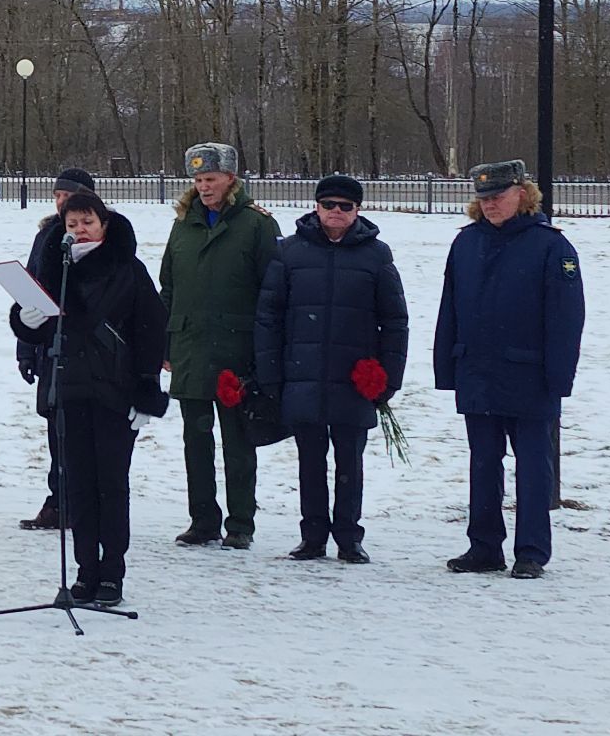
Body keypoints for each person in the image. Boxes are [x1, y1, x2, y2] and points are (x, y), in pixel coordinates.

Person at [11, 189, 168, 607]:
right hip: (68, 391)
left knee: (110, 486)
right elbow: (46, 329)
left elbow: (150, 330)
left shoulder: (128, 269)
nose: (80, 231)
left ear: (104, 224)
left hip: (115, 393)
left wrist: (147, 390)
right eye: (72, 224)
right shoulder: (55, 268)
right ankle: (84, 572)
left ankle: (112, 573)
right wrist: (25, 321)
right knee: (77, 486)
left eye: (88, 223)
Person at [434, 160, 585, 579]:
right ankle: (484, 546)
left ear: (523, 193)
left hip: (529, 376)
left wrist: (559, 376)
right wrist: (447, 366)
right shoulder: (465, 244)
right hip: (477, 372)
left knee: (534, 466)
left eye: (498, 196)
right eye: (483, 198)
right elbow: (451, 308)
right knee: (483, 462)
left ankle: (532, 551)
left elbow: (566, 318)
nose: (490, 205)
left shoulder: (551, 246)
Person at [254, 174, 409, 564]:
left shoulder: (376, 255)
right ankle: (312, 535)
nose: (335, 213)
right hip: (302, 374)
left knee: (349, 461)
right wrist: (271, 372)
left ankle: (348, 535)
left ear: (357, 210)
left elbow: (395, 322)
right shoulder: (289, 252)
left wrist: (387, 378)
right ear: (316, 207)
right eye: (329, 205)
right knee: (310, 459)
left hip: (353, 378)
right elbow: (269, 316)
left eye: (345, 206)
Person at [161, 142, 281, 550]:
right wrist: (165, 343)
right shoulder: (184, 224)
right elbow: (169, 287)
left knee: (238, 442)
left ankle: (240, 523)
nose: (204, 187)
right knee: (196, 440)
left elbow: (273, 293)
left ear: (230, 178)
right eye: (197, 180)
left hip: (236, 351)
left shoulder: (256, 225)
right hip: (191, 347)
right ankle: (203, 520)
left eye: (210, 179)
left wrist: (266, 353)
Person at [14, 167, 98, 530]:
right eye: (58, 196)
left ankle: (82, 502)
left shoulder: (102, 235)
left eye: (70, 195)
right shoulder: (47, 235)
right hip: (50, 347)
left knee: (87, 436)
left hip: (90, 354)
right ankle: (58, 499)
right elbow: (29, 294)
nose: (62, 202)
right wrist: (26, 347)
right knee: (57, 431)